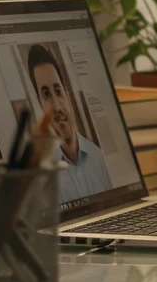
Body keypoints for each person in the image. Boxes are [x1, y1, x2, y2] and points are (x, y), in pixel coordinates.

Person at [26, 43, 111, 200]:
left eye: (58, 92)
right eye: (46, 95)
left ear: (67, 95)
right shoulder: (41, 175)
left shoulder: (98, 157)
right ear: (40, 104)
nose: (57, 106)